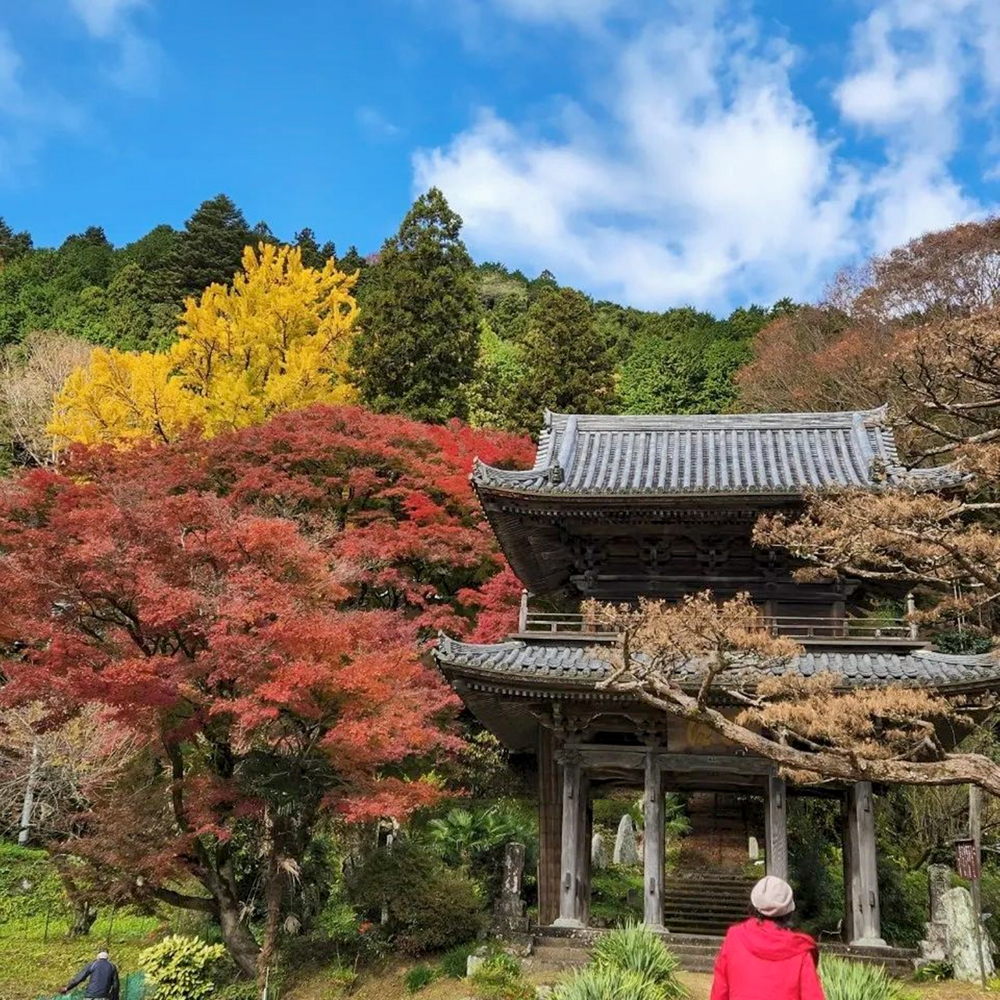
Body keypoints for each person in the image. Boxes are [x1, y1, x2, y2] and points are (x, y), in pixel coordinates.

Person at [710, 875, 825, 1000]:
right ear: (789, 912)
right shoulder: (798, 949)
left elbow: (720, 992)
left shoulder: (735, 937)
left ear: (754, 905)